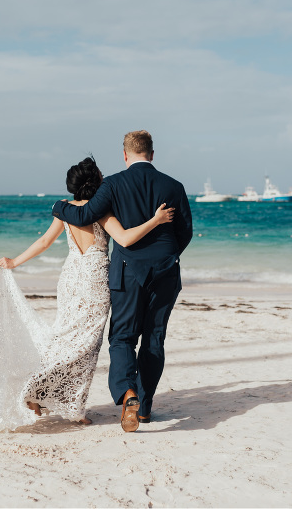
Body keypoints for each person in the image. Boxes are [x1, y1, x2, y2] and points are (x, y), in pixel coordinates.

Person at [0, 156, 174, 431]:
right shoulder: (102, 212)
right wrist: (156, 220)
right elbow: (126, 238)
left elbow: (44, 242)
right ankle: (64, 403)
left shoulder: (65, 210)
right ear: (96, 182)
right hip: (94, 278)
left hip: (70, 277)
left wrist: (14, 262)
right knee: (86, 345)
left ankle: (43, 396)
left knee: (64, 336)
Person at [52, 131, 193, 432]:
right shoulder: (174, 186)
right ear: (152, 154)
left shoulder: (113, 184)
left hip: (128, 270)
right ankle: (145, 408)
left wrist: (58, 207)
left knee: (122, 337)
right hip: (166, 272)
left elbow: (85, 214)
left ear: (125, 155)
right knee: (154, 338)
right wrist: (165, 257)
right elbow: (185, 233)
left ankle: (129, 394)